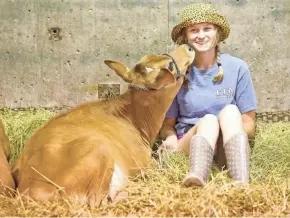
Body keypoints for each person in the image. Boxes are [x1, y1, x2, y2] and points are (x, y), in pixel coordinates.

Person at [159, 3, 257, 187]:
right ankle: (196, 176)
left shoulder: (237, 68)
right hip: (190, 144)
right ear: (186, 37)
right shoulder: (177, 74)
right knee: (209, 121)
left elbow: (249, 124)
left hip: (226, 148)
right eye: (194, 30)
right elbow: (167, 126)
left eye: (207, 29)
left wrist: (225, 133)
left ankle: (241, 182)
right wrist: (170, 138)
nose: (201, 35)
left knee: (229, 111)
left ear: (217, 33)